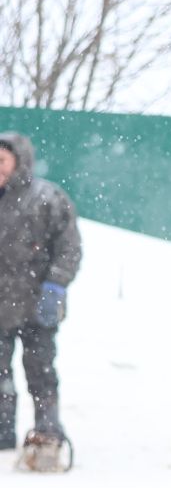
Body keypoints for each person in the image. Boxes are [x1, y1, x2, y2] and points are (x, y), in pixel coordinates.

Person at [0, 131, 81, 464]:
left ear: (20, 162)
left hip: (36, 305)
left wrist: (55, 285)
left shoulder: (47, 198)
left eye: (3, 161)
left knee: (40, 370)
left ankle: (47, 430)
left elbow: (69, 248)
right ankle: (3, 433)